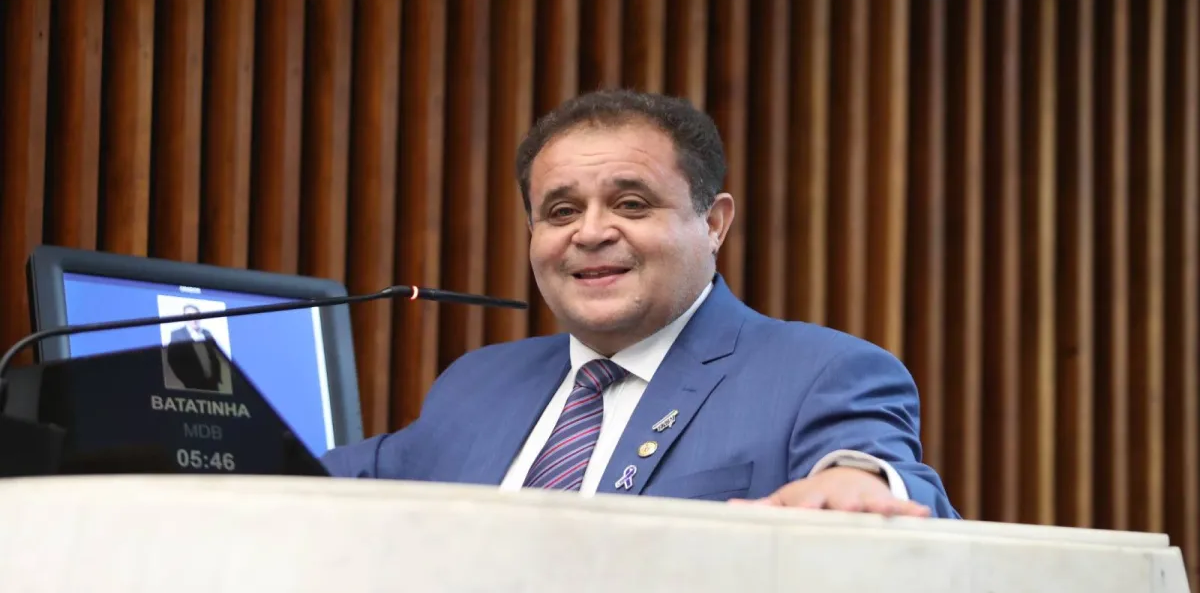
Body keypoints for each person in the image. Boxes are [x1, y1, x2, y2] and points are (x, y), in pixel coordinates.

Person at [322, 90, 959, 519]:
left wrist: (859, 485)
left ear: (713, 223)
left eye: (631, 204)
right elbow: (316, 483)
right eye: (561, 211)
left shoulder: (819, 371)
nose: (590, 232)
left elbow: (877, 465)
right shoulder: (479, 382)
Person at [165, 304, 225, 392]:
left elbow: (215, 357)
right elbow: (173, 360)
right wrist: (187, 380)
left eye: (196, 315)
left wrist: (216, 378)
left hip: (212, 384)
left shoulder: (207, 333)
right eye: (189, 316)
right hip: (193, 385)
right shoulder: (177, 334)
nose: (194, 319)